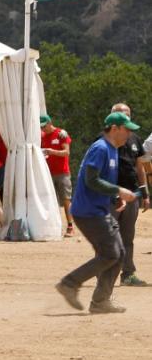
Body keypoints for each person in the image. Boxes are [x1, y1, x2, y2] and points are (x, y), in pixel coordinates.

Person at [55, 111, 140, 314]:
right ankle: (69, 283)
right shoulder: (100, 148)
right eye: (126, 129)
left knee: (119, 254)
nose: (129, 134)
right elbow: (91, 180)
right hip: (88, 211)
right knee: (110, 253)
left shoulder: (113, 150)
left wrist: (114, 197)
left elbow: (103, 181)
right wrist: (119, 190)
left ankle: (101, 301)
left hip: (99, 209)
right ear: (114, 129)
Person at [107, 103, 148, 286]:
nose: (127, 117)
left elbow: (139, 167)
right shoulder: (104, 141)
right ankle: (105, 275)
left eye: (128, 114)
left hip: (131, 195)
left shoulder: (135, 139)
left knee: (128, 236)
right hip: (110, 197)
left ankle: (128, 274)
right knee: (108, 236)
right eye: (122, 114)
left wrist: (144, 192)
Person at [41, 114, 75, 237]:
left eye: (44, 126)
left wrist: (52, 151)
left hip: (62, 173)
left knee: (66, 200)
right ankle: (55, 227)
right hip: (48, 174)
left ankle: (70, 226)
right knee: (52, 201)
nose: (42, 129)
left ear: (50, 123)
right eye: (41, 127)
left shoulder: (61, 134)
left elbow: (66, 152)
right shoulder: (42, 136)